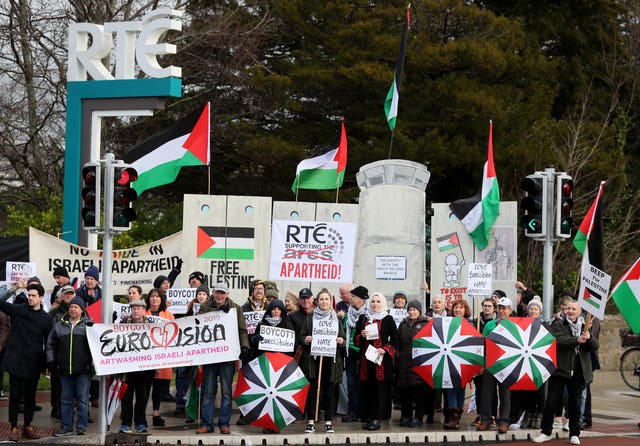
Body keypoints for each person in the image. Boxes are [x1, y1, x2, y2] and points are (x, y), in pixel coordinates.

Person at [533, 299, 598, 445]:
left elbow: (594, 346)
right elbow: (557, 340)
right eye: (568, 308)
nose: (570, 311)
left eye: (574, 309)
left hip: (580, 371)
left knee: (574, 404)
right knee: (550, 402)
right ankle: (546, 432)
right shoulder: (558, 324)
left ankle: (575, 434)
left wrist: (589, 338)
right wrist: (577, 340)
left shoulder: (586, 325)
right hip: (560, 370)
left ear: (580, 311)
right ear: (564, 310)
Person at [0, 283, 53, 441]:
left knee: (30, 397)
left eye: (33, 295)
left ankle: (28, 426)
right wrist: (14, 288)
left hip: (33, 361)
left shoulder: (46, 318)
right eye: (29, 295)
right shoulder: (19, 310)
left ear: (41, 298)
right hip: (16, 360)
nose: (30, 298)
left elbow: (48, 342)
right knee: (15, 396)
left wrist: (47, 364)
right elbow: (0, 302)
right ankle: (13, 427)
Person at [196, 283, 249, 435]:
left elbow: (242, 330)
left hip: (227, 356)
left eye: (222, 293)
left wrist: (244, 347)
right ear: (213, 293)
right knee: (208, 391)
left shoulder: (236, 308)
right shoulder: (205, 307)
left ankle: (224, 424)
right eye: (217, 293)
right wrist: (219, 311)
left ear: (227, 294)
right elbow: (198, 323)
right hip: (211, 356)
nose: (219, 296)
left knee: (226, 392)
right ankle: (207, 424)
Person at [299, 288, 345, 434]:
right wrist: (306, 339)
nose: (324, 301)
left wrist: (340, 340)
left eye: (327, 299)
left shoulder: (336, 318)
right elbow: (302, 336)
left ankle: (328, 422)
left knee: (330, 392)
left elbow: (343, 338)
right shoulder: (310, 317)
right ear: (317, 301)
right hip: (314, 360)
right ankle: (311, 421)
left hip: (331, 361)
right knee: (313, 391)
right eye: (321, 299)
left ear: (330, 302)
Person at [47, 297, 92, 437]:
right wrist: (52, 362)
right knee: (65, 400)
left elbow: (98, 345)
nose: (73, 309)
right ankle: (66, 426)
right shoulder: (59, 326)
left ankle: (81, 426)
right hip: (64, 370)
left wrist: (91, 364)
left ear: (81, 310)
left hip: (83, 370)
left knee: (83, 399)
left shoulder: (89, 326)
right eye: (71, 307)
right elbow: (50, 345)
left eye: (76, 307)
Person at [250, 298, 295, 434]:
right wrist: (255, 339)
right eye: (273, 309)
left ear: (282, 312)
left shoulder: (287, 324)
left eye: (278, 309)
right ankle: (267, 423)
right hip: (266, 363)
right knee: (267, 394)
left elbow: (292, 345)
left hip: (280, 364)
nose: (276, 312)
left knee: (278, 395)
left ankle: (277, 423)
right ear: (269, 311)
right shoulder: (262, 324)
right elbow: (255, 346)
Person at [355, 291, 398, 431]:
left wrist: (385, 349)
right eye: (373, 301)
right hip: (366, 361)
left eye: (378, 301)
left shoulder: (388, 319)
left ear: (383, 303)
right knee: (368, 389)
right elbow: (356, 341)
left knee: (380, 391)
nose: (375, 304)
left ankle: (377, 418)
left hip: (382, 361)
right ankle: (369, 417)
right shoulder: (363, 318)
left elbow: (396, 340)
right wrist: (361, 335)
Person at [477, 296, 513, 434]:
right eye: (500, 308)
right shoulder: (489, 324)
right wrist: (481, 362)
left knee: (505, 394)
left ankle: (503, 421)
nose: (502, 311)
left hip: (507, 363)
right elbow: (483, 344)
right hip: (490, 363)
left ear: (510, 310)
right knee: (486, 393)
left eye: (505, 308)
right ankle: (485, 419)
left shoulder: (514, 325)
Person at [119, 300, 156, 433]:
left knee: (142, 397)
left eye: (138, 308)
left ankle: (141, 423)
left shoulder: (151, 326)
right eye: (133, 308)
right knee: (126, 397)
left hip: (145, 369)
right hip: (127, 369)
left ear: (144, 310)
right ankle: (126, 423)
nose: (136, 311)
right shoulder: (123, 325)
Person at [397, 299, 431, 428]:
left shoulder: (425, 324)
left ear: (419, 311)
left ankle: (418, 418)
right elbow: (398, 341)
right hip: (404, 363)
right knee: (405, 393)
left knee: (419, 393)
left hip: (419, 363)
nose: (411, 312)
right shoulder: (403, 324)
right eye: (410, 310)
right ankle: (406, 416)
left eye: (414, 310)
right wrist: (397, 355)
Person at [144, 288, 175, 427]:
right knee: (143, 386)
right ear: (148, 299)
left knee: (158, 387)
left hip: (161, 355)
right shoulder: (143, 314)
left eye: (157, 296)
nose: (155, 299)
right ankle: (140, 414)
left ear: (162, 299)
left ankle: (156, 414)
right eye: (152, 296)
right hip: (145, 356)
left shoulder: (169, 315)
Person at [48, 285, 77, 419]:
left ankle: (69, 408)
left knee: (71, 385)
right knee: (56, 384)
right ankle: (56, 407)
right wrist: (50, 358)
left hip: (74, 356)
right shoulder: (54, 313)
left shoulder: (81, 311)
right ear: (61, 296)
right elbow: (49, 337)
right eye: (66, 294)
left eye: (71, 294)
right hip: (58, 354)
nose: (69, 296)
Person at [443, 299, 472, 429]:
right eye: (456, 307)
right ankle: (452, 416)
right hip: (449, 360)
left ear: (465, 310)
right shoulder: (446, 322)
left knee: (460, 388)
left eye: (461, 307)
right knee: (450, 387)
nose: (458, 310)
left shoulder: (470, 324)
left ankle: (457, 415)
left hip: (464, 361)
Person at [341, 285, 368, 423]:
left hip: (363, 353)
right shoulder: (349, 313)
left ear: (362, 299)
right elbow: (345, 331)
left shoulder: (368, 314)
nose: (351, 299)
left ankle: (363, 411)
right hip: (350, 351)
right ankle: (352, 411)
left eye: (354, 297)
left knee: (363, 384)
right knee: (351, 384)